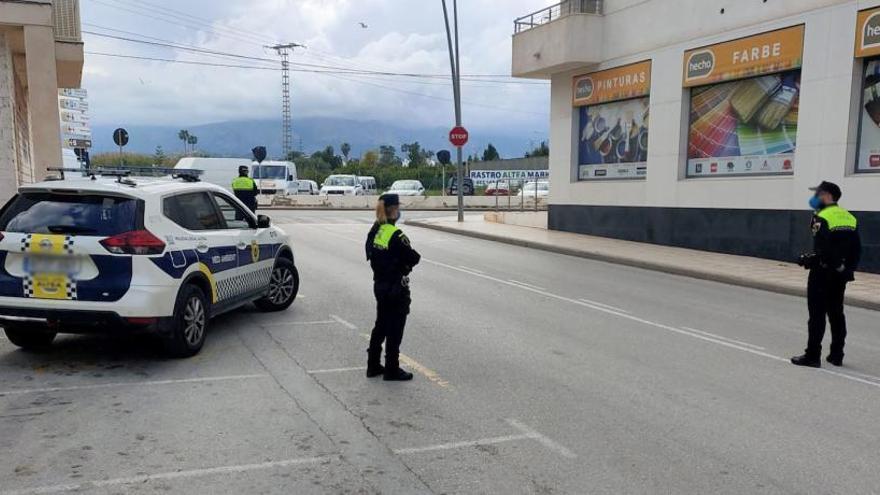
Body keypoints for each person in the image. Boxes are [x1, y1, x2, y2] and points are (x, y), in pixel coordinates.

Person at [791, 181, 861, 368]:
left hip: (822, 273)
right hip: (841, 275)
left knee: (817, 315)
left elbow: (824, 249)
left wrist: (809, 260)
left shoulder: (821, 216)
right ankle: (837, 355)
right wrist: (846, 269)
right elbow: (857, 250)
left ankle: (812, 356)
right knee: (837, 313)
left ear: (827, 196)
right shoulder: (849, 217)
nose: (815, 198)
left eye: (818, 194)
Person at [365, 193, 421, 381]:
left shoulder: (375, 230)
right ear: (393, 210)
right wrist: (402, 267)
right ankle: (392, 368)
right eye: (398, 207)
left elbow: (370, 255)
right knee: (395, 328)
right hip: (396, 287)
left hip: (379, 284)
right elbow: (414, 257)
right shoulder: (396, 234)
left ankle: (373, 364)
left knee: (381, 325)